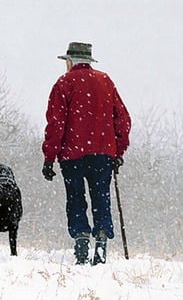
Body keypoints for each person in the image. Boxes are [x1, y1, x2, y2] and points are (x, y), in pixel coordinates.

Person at [42, 42, 131, 265]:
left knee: (76, 197)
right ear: (89, 62)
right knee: (101, 197)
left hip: (72, 154)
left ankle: (81, 239)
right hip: (103, 153)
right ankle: (101, 240)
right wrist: (118, 151)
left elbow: (56, 124)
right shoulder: (105, 81)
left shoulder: (64, 83)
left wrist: (49, 157)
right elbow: (123, 120)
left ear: (70, 62)